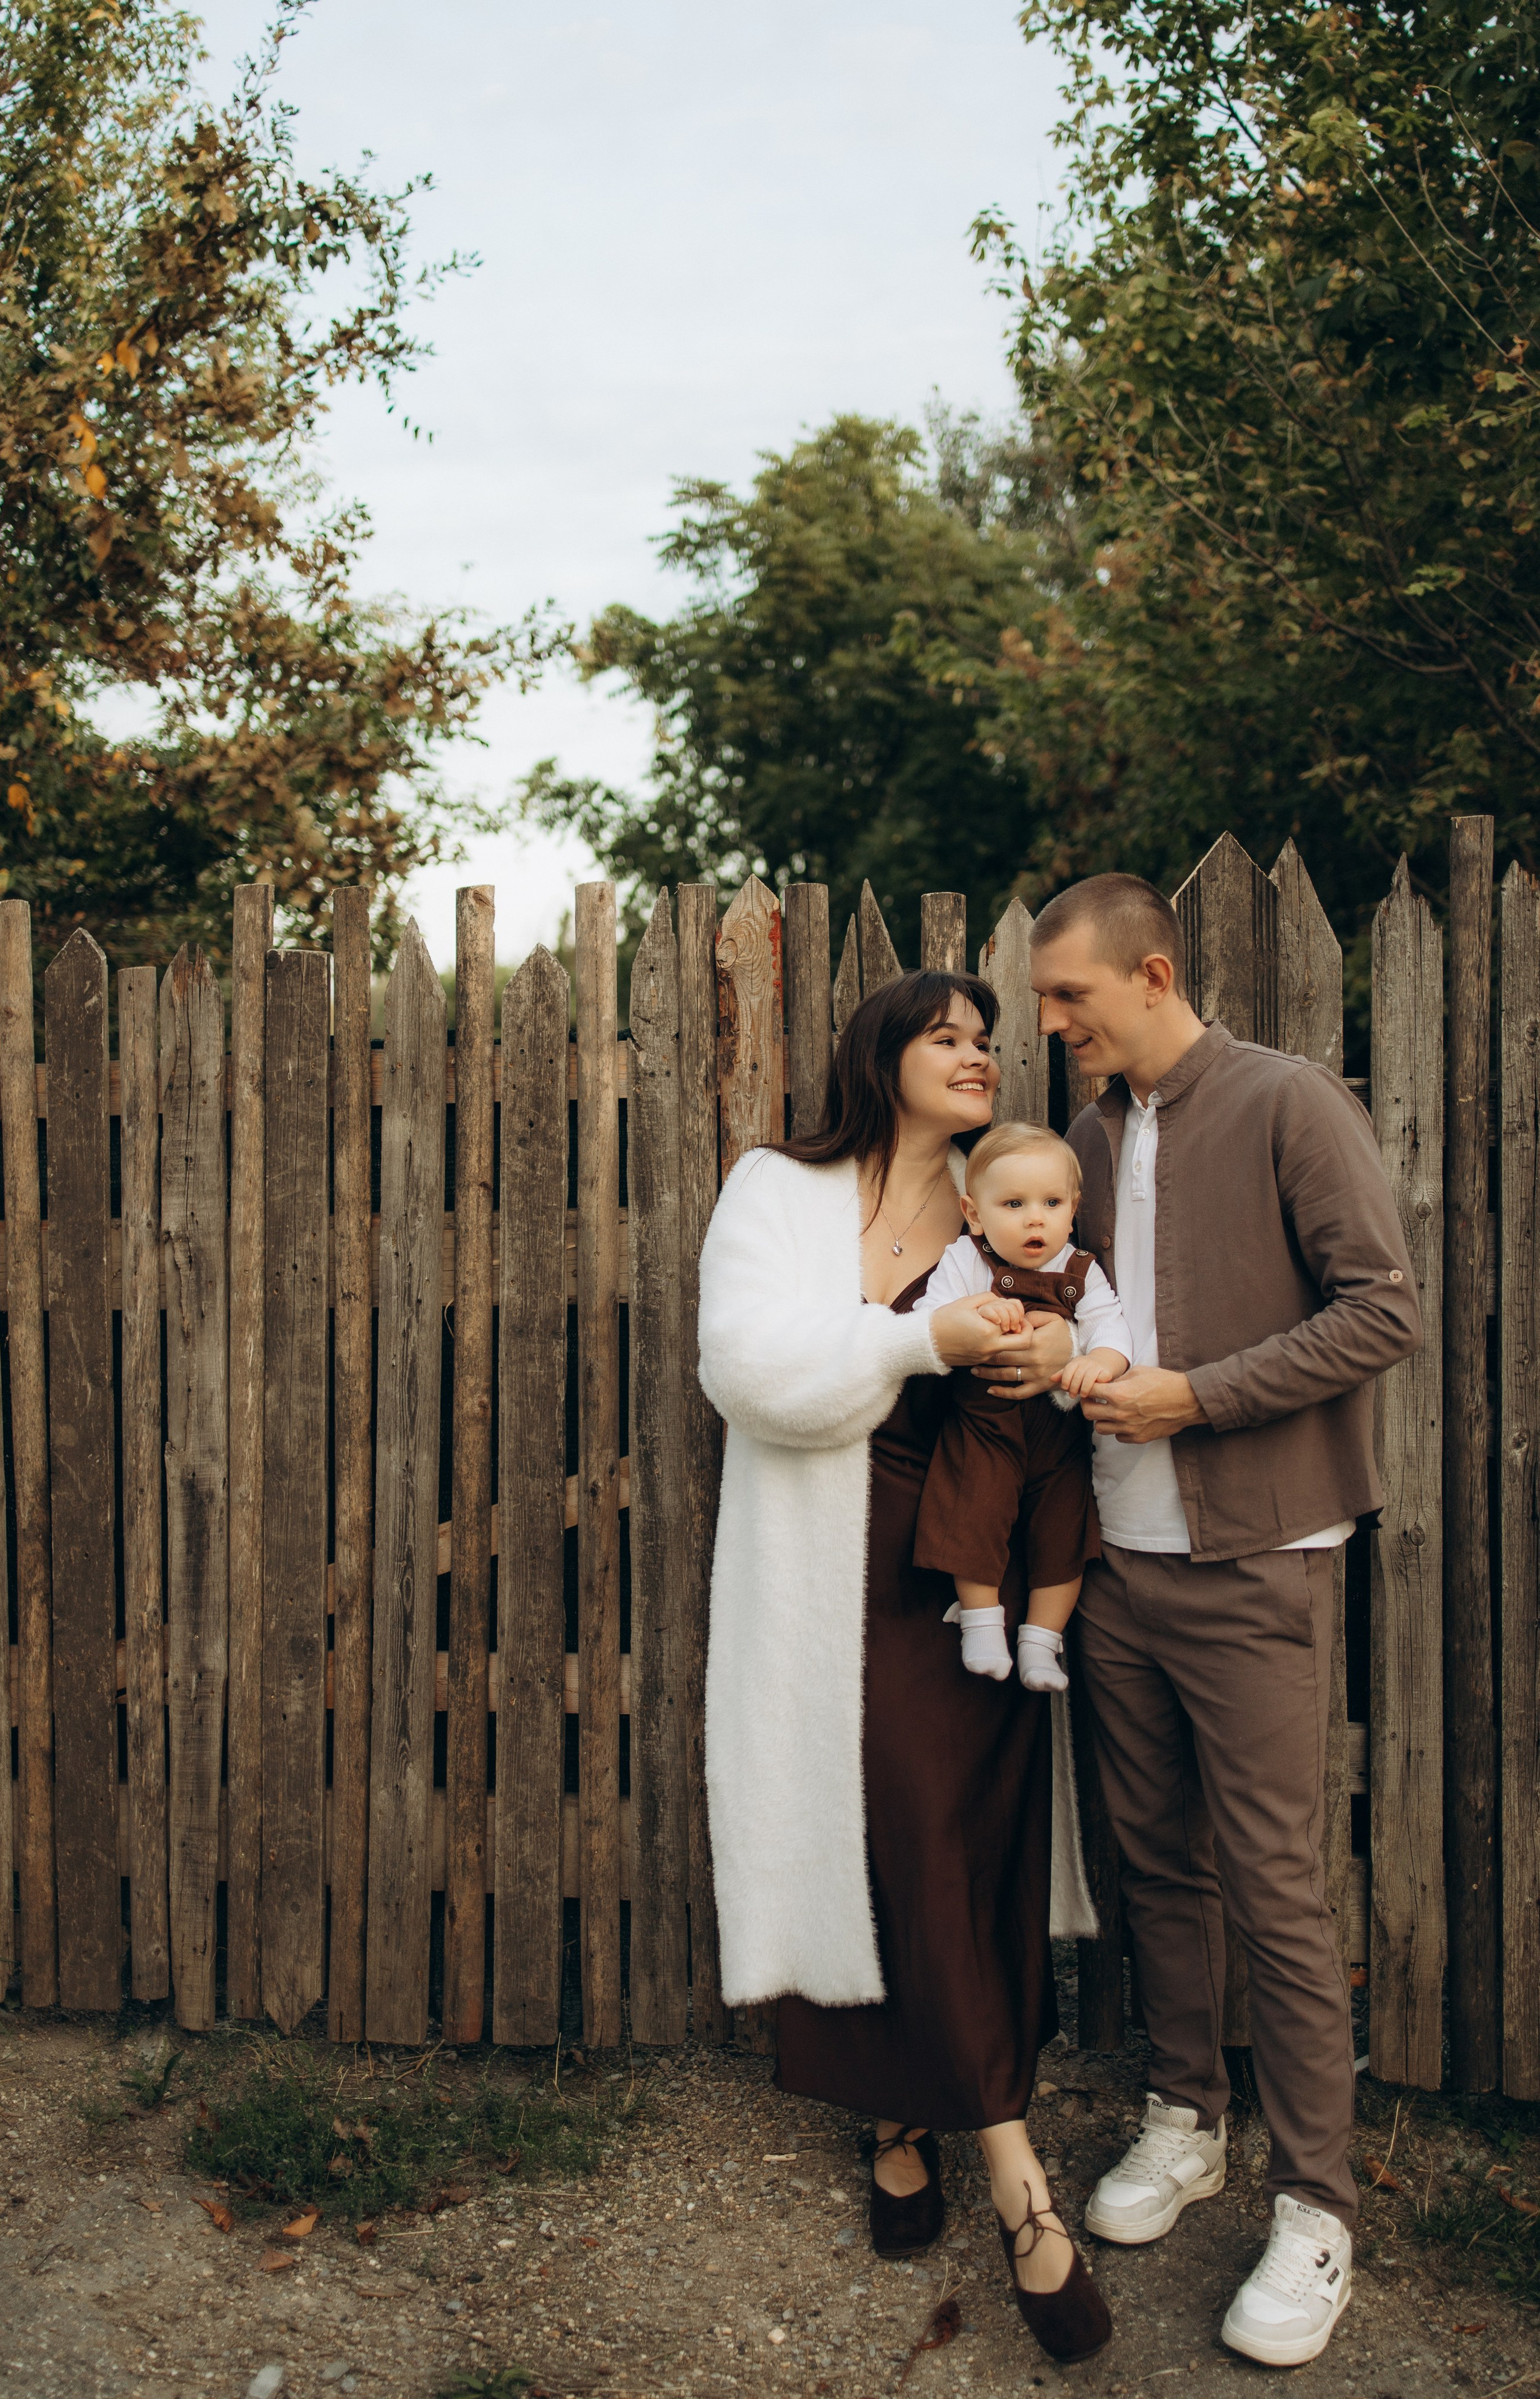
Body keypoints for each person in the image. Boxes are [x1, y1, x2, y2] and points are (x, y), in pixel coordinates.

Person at [1024, 872, 1422, 2369]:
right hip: (1109, 1564)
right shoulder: (1084, 1135)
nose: (1047, 1023)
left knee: (1273, 1882)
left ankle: (1315, 2203)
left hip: (1256, 1559)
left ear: (1148, 970)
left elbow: (1381, 1308)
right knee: (1151, 1863)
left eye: (1067, 996)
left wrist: (1193, 1396)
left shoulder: (1284, 1101)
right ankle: (1183, 2115)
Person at [697, 970, 1111, 2365]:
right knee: (878, 1835)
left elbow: (1090, 1338)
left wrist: (1057, 1350)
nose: (979, 1057)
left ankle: (920, 2113)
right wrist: (912, 1338)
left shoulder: (1009, 1194)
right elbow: (742, 1367)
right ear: (881, 1054)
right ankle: (1010, 2181)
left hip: (969, 1562)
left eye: (987, 1040)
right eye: (947, 1037)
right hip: (833, 1561)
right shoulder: (777, 1190)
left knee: (960, 1835)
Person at [911, 1122, 1132, 1689]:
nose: (1036, 1218)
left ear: (1074, 1208)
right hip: (983, 1427)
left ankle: (1041, 1643)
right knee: (972, 1510)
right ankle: (982, 1626)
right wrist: (982, 1312)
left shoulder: (1080, 1272)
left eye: (1052, 1203)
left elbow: (1113, 1331)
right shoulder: (966, 1260)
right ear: (975, 1212)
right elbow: (929, 1325)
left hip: (1057, 1434)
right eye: (1014, 1204)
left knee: (1066, 1532)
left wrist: (1098, 1361)